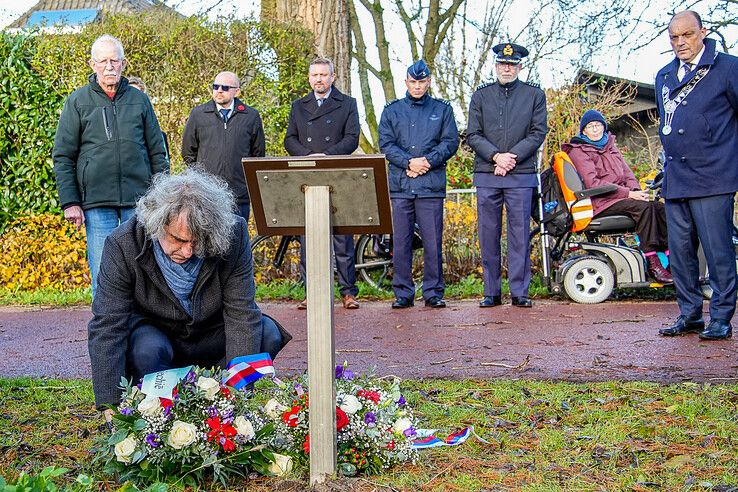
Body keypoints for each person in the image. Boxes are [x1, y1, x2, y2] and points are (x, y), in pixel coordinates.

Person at [88, 168, 291, 412]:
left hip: (211, 335)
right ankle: (156, 401)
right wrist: (111, 407)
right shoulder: (122, 244)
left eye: (197, 241)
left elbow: (241, 312)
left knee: (267, 333)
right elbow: (107, 324)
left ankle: (218, 394)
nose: (188, 252)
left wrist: (237, 402)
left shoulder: (233, 233)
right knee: (145, 349)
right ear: (157, 224)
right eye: (179, 240)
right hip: (157, 342)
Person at [52, 35, 169, 299]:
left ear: (123, 63)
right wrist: (70, 201)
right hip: (96, 202)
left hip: (139, 201)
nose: (109, 66)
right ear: (92, 64)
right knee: (104, 273)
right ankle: (107, 336)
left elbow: (157, 152)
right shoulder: (77, 102)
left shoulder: (140, 101)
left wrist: (162, 197)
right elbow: (63, 155)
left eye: (114, 60)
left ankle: (142, 333)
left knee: (143, 270)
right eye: (103, 61)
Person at [655, 11, 738, 340]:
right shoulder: (664, 75)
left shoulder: (728, 68)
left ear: (703, 32)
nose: (680, 43)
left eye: (686, 35)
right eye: (674, 37)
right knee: (681, 252)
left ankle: (721, 317)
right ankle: (689, 314)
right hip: (676, 178)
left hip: (714, 176)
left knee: (718, 253)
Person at [466, 43, 548, 308]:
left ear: (520, 67)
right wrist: (495, 157)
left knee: (519, 235)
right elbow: (473, 134)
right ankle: (491, 291)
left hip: (520, 174)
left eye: (511, 65)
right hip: (488, 173)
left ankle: (519, 291)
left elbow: (537, 133)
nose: (506, 68)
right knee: (488, 235)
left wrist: (510, 158)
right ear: (496, 66)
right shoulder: (481, 96)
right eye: (502, 64)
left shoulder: (534, 95)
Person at [378, 60, 459, 308]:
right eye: (413, 82)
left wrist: (426, 162)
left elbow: (450, 142)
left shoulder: (442, 110)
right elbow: (387, 144)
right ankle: (403, 293)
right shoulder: (391, 111)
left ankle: (433, 292)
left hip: (430, 185)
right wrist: (408, 163)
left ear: (429, 82)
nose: (417, 86)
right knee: (401, 242)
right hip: (401, 185)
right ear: (406, 82)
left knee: (432, 241)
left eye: (422, 81)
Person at [284, 57, 361, 310]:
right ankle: (311, 292)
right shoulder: (298, 106)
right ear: (309, 78)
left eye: (324, 75)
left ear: (333, 77)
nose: (319, 79)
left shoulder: (347, 104)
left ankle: (348, 292)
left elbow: (352, 138)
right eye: (315, 75)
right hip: (307, 174)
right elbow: (290, 139)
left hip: (337, 173)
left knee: (342, 236)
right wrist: (308, 157)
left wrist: (327, 156)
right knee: (309, 237)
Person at [562, 109, 673, 284]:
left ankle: (671, 260)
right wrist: (629, 194)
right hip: (599, 201)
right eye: (591, 126)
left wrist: (637, 191)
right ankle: (652, 262)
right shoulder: (579, 151)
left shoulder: (610, 147)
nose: (596, 129)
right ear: (583, 131)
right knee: (643, 208)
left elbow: (628, 174)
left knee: (659, 207)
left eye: (598, 125)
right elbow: (593, 184)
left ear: (604, 127)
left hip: (621, 198)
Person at [182, 71, 265, 223]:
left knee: (237, 240)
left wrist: (245, 183)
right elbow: (188, 152)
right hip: (206, 195)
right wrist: (201, 178)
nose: (219, 90)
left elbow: (258, 154)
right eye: (216, 86)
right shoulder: (198, 114)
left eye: (225, 87)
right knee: (206, 241)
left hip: (239, 195)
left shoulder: (250, 116)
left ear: (237, 91)